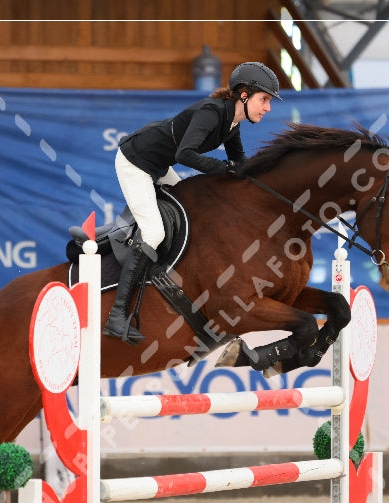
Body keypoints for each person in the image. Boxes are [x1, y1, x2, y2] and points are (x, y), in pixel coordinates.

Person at [104, 61, 282, 344]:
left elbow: (241, 164)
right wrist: (225, 169)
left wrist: (266, 186)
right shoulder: (212, 113)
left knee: (194, 215)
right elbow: (186, 154)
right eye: (264, 100)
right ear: (244, 95)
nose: (268, 108)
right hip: (136, 162)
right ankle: (116, 315)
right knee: (154, 233)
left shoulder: (232, 123)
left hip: (159, 165)